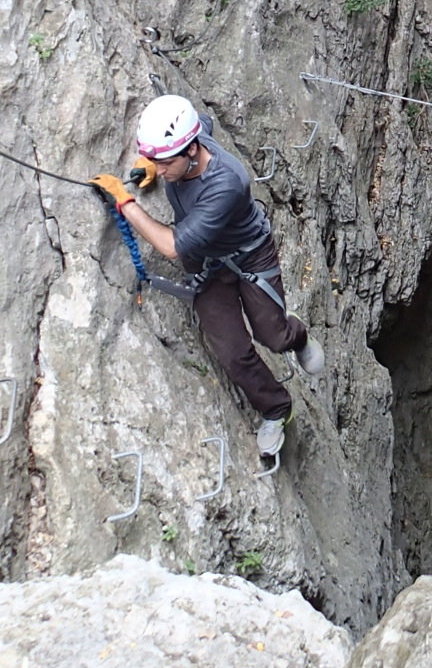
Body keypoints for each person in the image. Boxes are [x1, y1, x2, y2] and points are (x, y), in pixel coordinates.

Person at [93, 96, 323, 458]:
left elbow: (171, 246)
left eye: (165, 163)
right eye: (157, 161)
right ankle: (277, 408)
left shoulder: (227, 183)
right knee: (232, 352)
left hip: (249, 255)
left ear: (191, 151)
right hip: (209, 266)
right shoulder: (192, 140)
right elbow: (202, 121)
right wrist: (150, 165)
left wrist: (126, 202)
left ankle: (297, 337)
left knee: (271, 336)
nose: (161, 170)